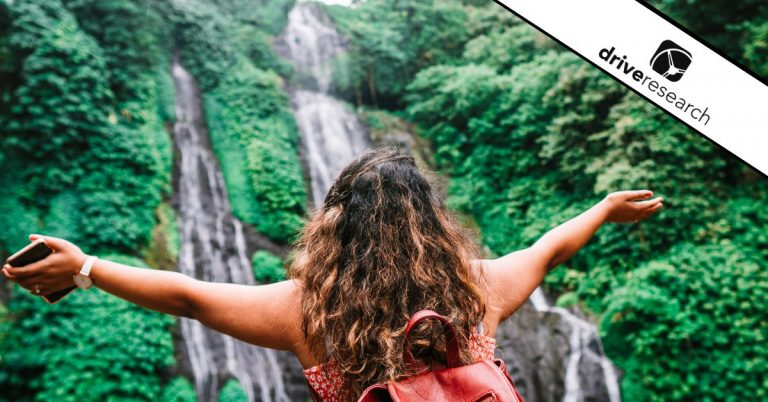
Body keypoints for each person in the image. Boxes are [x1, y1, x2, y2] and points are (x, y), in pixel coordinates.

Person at [2, 147, 663, 401]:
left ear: (334, 225)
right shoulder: (476, 288)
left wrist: (85, 268)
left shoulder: (307, 311)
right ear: (430, 224)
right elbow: (550, 248)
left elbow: (189, 296)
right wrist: (604, 209)